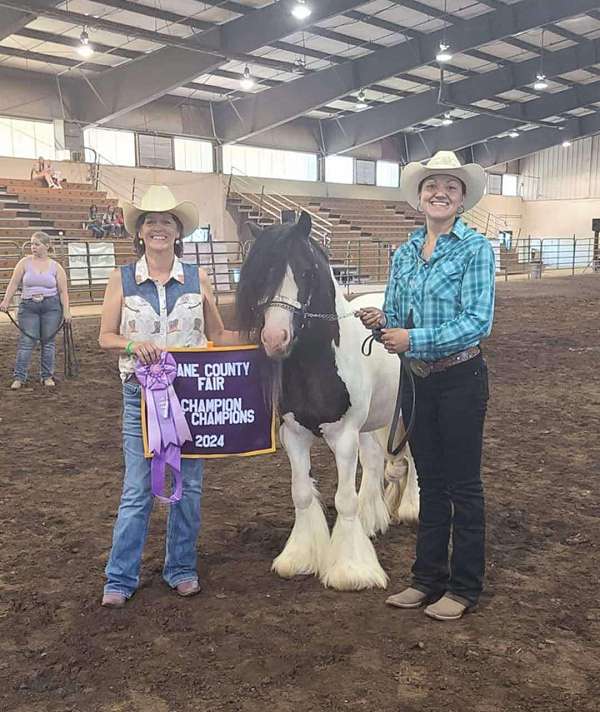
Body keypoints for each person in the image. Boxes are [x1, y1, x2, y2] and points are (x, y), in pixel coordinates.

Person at [358, 151, 495, 621]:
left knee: (463, 486)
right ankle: (426, 579)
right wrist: (383, 321)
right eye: (432, 186)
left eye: (450, 187)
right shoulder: (404, 253)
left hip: (460, 377)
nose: (440, 193)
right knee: (431, 483)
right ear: (420, 197)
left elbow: (477, 322)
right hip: (417, 381)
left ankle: (464, 586)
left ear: (461, 200)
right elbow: (398, 317)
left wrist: (413, 337)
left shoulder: (475, 249)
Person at [98, 185, 241, 609]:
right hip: (139, 397)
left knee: (189, 488)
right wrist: (131, 345)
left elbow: (217, 335)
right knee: (138, 489)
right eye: (150, 221)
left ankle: (181, 567)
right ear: (139, 231)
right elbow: (105, 336)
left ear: (177, 232)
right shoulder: (121, 279)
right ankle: (120, 576)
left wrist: (262, 339)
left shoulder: (198, 279)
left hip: (190, 397)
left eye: (166, 221)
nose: (158, 228)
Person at [0, 231, 72, 388]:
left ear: (46, 246)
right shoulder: (24, 263)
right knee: (27, 341)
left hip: (51, 307)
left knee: (48, 342)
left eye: (37, 244)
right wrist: (6, 300)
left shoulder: (56, 267)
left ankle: (47, 376)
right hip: (28, 306)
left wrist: (66, 311)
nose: (33, 247)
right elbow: (13, 283)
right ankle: (19, 377)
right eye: (32, 243)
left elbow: (63, 291)